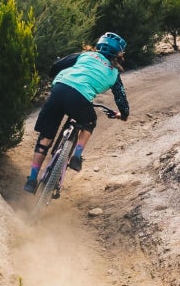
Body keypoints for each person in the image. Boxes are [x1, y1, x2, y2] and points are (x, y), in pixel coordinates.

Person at [26, 32, 131, 192]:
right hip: (80, 98)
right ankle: (76, 156)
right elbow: (121, 99)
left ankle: (31, 181)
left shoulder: (85, 55)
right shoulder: (114, 74)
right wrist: (122, 115)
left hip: (59, 89)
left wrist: (57, 77)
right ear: (118, 53)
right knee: (89, 121)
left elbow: (56, 66)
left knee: (46, 137)